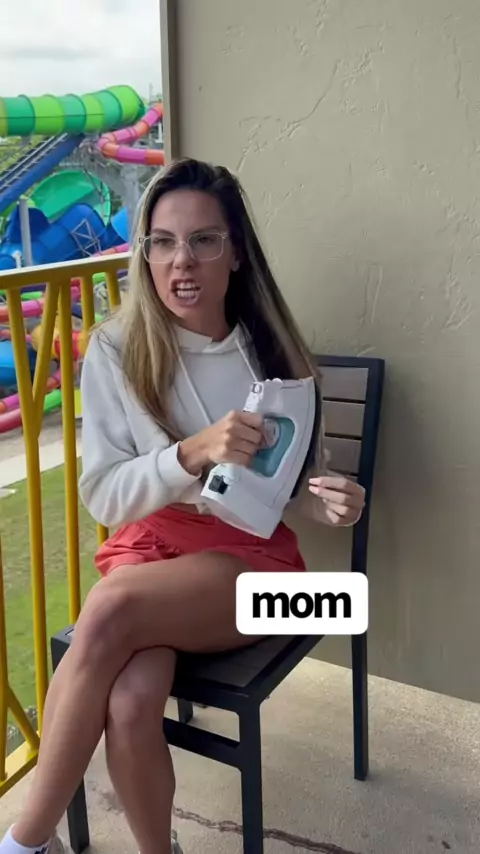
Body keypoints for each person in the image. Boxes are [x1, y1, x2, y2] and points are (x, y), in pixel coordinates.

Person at [0, 158, 365, 854]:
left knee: (109, 607)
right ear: (144, 254)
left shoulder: (275, 354)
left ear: (236, 252)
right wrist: (190, 453)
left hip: (261, 578)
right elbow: (105, 493)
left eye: (203, 240)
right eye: (162, 242)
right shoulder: (117, 350)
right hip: (153, 554)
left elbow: (295, 490)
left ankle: (24, 842)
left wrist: (333, 505)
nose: (181, 261)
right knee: (130, 702)